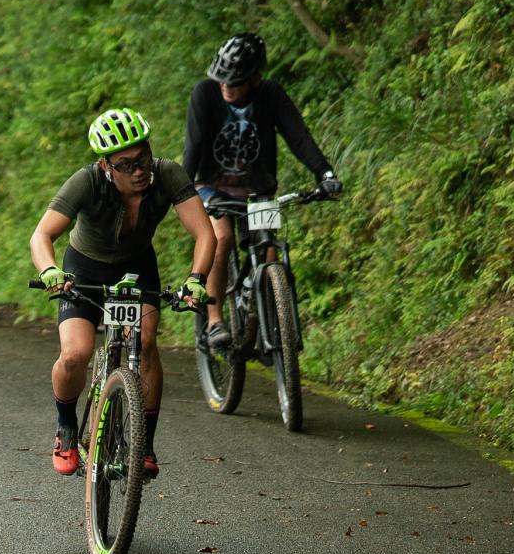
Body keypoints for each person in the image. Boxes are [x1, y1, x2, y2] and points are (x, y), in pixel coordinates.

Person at [29, 107, 214, 479]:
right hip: (84, 267)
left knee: (145, 345)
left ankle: (143, 444)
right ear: (105, 167)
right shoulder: (85, 181)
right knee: (75, 354)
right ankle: (66, 429)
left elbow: (205, 233)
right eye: (126, 164)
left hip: (137, 266)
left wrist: (197, 278)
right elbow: (42, 235)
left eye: (143, 158)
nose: (139, 170)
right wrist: (50, 270)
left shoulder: (167, 174)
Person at [183, 32, 343, 351]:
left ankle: (274, 320)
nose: (226, 86)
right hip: (211, 186)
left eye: (236, 81)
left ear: (255, 78)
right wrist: (181, 190)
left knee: (269, 249)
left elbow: (299, 137)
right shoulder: (205, 94)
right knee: (222, 238)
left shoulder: (271, 94)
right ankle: (214, 320)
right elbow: (194, 146)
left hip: (257, 189)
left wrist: (325, 174)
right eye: (222, 80)